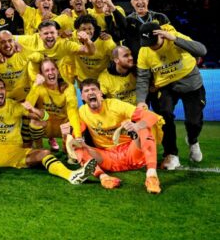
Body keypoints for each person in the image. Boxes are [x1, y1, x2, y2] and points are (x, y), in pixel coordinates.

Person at [0, 78, 96, 184]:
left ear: (5, 91)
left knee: (45, 152)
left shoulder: (15, 106)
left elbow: (45, 117)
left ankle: (71, 175)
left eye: (1, 88)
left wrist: (34, 110)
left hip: (17, 153)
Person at [72, 79, 164, 194]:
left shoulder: (115, 105)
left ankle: (151, 176)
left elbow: (151, 116)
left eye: (93, 89)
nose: (90, 92)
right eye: (86, 91)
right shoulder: (81, 112)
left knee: (144, 127)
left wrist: (137, 126)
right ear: (82, 97)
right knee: (77, 146)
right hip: (107, 157)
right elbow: (76, 134)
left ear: (100, 93)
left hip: (132, 152)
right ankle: (104, 178)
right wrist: (72, 135)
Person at [136, 23, 207, 170]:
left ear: (160, 35)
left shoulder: (175, 39)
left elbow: (202, 50)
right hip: (166, 86)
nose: (151, 47)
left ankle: (192, 140)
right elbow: (142, 78)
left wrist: (174, 39)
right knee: (164, 116)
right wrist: (141, 101)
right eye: (147, 44)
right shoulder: (144, 51)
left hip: (191, 84)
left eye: (153, 42)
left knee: (194, 122)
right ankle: (171, 154)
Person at [25, 59, 80, 153]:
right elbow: (26, 108)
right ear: (41, 74)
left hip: (63, 126)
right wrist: (35, 85)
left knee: (72, 124)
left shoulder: (68, 87)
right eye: (46, 70)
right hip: (46, 125)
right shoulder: (39, 87)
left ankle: (66, 149)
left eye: (53, 69)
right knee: (34, 120)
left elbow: (72, 111)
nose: (50, 72)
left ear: (57, 71)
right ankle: (39, 149)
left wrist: (78, 135)